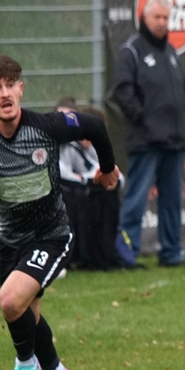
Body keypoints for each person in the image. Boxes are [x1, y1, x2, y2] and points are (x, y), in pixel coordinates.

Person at [0, 56, 119, 370]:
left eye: (11, 85)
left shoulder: (46, 126)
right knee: (27, 312)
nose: (5, 93)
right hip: (11, 239)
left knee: (11, 301)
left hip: (52, 234)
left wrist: (106, 170)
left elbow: (95, 126)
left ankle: (25, 364)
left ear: (21, 89)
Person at [111, 0, 185, 267]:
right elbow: (122, 91)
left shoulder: (171, 53)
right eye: (156, 17)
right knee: (137, 198)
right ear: (143, 18)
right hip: (146, 140)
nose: (161, 23)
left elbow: (180, 91)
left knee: (171, 201)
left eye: (165, 18)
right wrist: (144, 119)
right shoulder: (131, 51)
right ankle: (126, 253)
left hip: (175, 140)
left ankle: (171, 252)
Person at [56, 100, 126, 271]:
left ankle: (102, 253)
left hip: (80, 196)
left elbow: (117, 178)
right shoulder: (66, 146)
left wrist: (93, 179)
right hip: (60, 198)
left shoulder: (93, 148)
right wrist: (88, 179)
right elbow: (64, 174)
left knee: (107, 194)